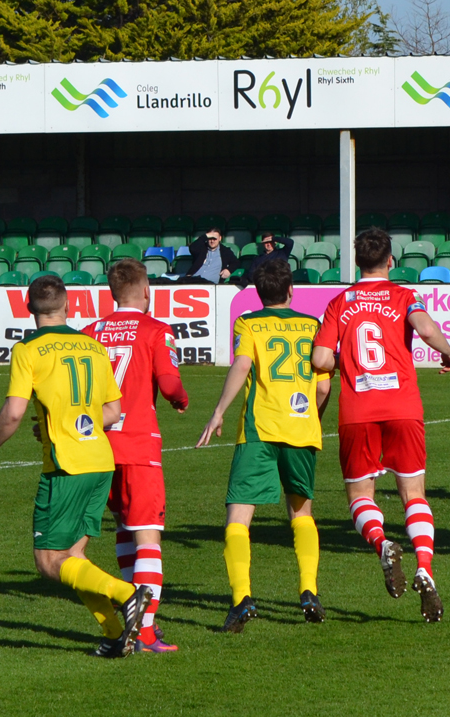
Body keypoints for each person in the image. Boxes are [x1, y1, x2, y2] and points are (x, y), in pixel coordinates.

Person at [0, 275, 152, 658]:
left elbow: (14, 411)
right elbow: (113, 411)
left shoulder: (28, 349)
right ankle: (115, 635)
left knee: (47, 561)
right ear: (69, 306)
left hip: (66, 466)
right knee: (73, 559)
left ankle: (127, 594)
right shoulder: (92, 345)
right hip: (100, 460)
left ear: (27, 307)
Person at [311, 228, 450, 623]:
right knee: (413, 493)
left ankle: (381, 545)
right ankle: (424, 569)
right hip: (403, 406)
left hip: (358, 409)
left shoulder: (339, 302)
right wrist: (449, 353)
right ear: (391, 261)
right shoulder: (404, 295)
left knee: (361, 494)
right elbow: (427, 330)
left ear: (356, 262)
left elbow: (321, 359)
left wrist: (348, 359)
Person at [197, 259, 331, 628]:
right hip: (302, 430)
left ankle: (242, 598)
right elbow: (322, 385)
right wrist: (311, 418)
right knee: (301, 514)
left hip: (259, 430)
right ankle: (308, 590)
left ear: (258, 293)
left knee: (239, 516)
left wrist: (219, 411)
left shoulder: (249, 323)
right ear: (291, 290)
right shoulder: (312, 326)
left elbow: (242, 365)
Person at [81, 258, 189, 653]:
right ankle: (144, 629)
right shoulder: (156, 329)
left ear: (111, 293)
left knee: (123, 528)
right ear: (147, 292)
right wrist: (180, 399)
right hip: (139, 444)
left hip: (96, 445)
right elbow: (170, 381)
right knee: (147, 536)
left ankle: (133, 617)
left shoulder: (91, 332)